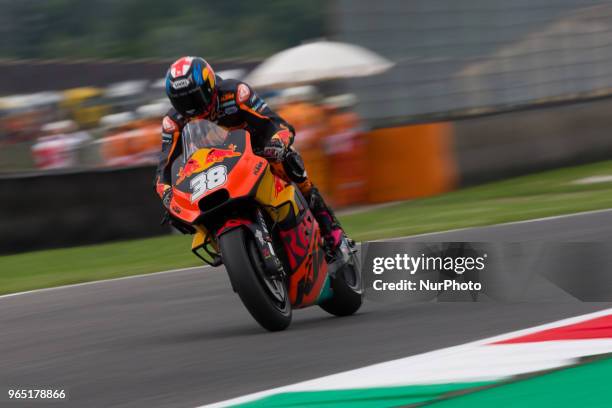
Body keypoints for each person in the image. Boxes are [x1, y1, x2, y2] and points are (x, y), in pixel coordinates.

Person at [155, 56, 343, 252]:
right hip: (211, 166)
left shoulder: (235, 93)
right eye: (181, 101)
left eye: (195, 97)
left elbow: (275, 123)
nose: (190, 106)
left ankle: (330, 230)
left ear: (210, 86)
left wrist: (277, 143)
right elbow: (164, 166)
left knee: (290, 163)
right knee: (177, 211)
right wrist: (166, 191)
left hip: (256, 149)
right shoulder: (173, 121)